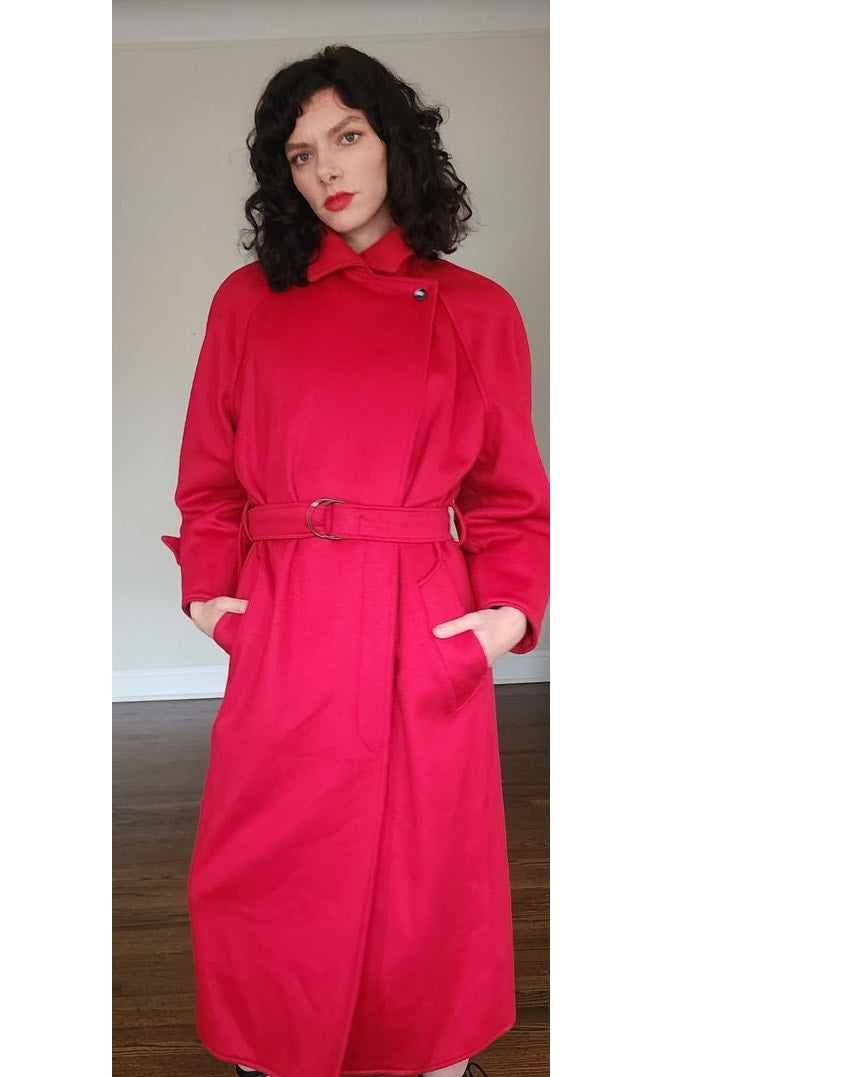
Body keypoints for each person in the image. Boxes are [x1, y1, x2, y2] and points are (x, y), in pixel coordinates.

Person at [162, 44, 549, 1077]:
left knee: (423, 868)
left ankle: (423, 1053)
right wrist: (212, 601)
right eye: (300, 154)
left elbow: (510, 496)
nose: (327, 168)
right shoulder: (247, 302)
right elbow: (208, 479)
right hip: (289, 610)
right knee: (265, 858)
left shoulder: (476, 309)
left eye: (347, 136)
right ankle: (273, 1047)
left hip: (420, 614)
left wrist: (507, 615)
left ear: (394, 144)